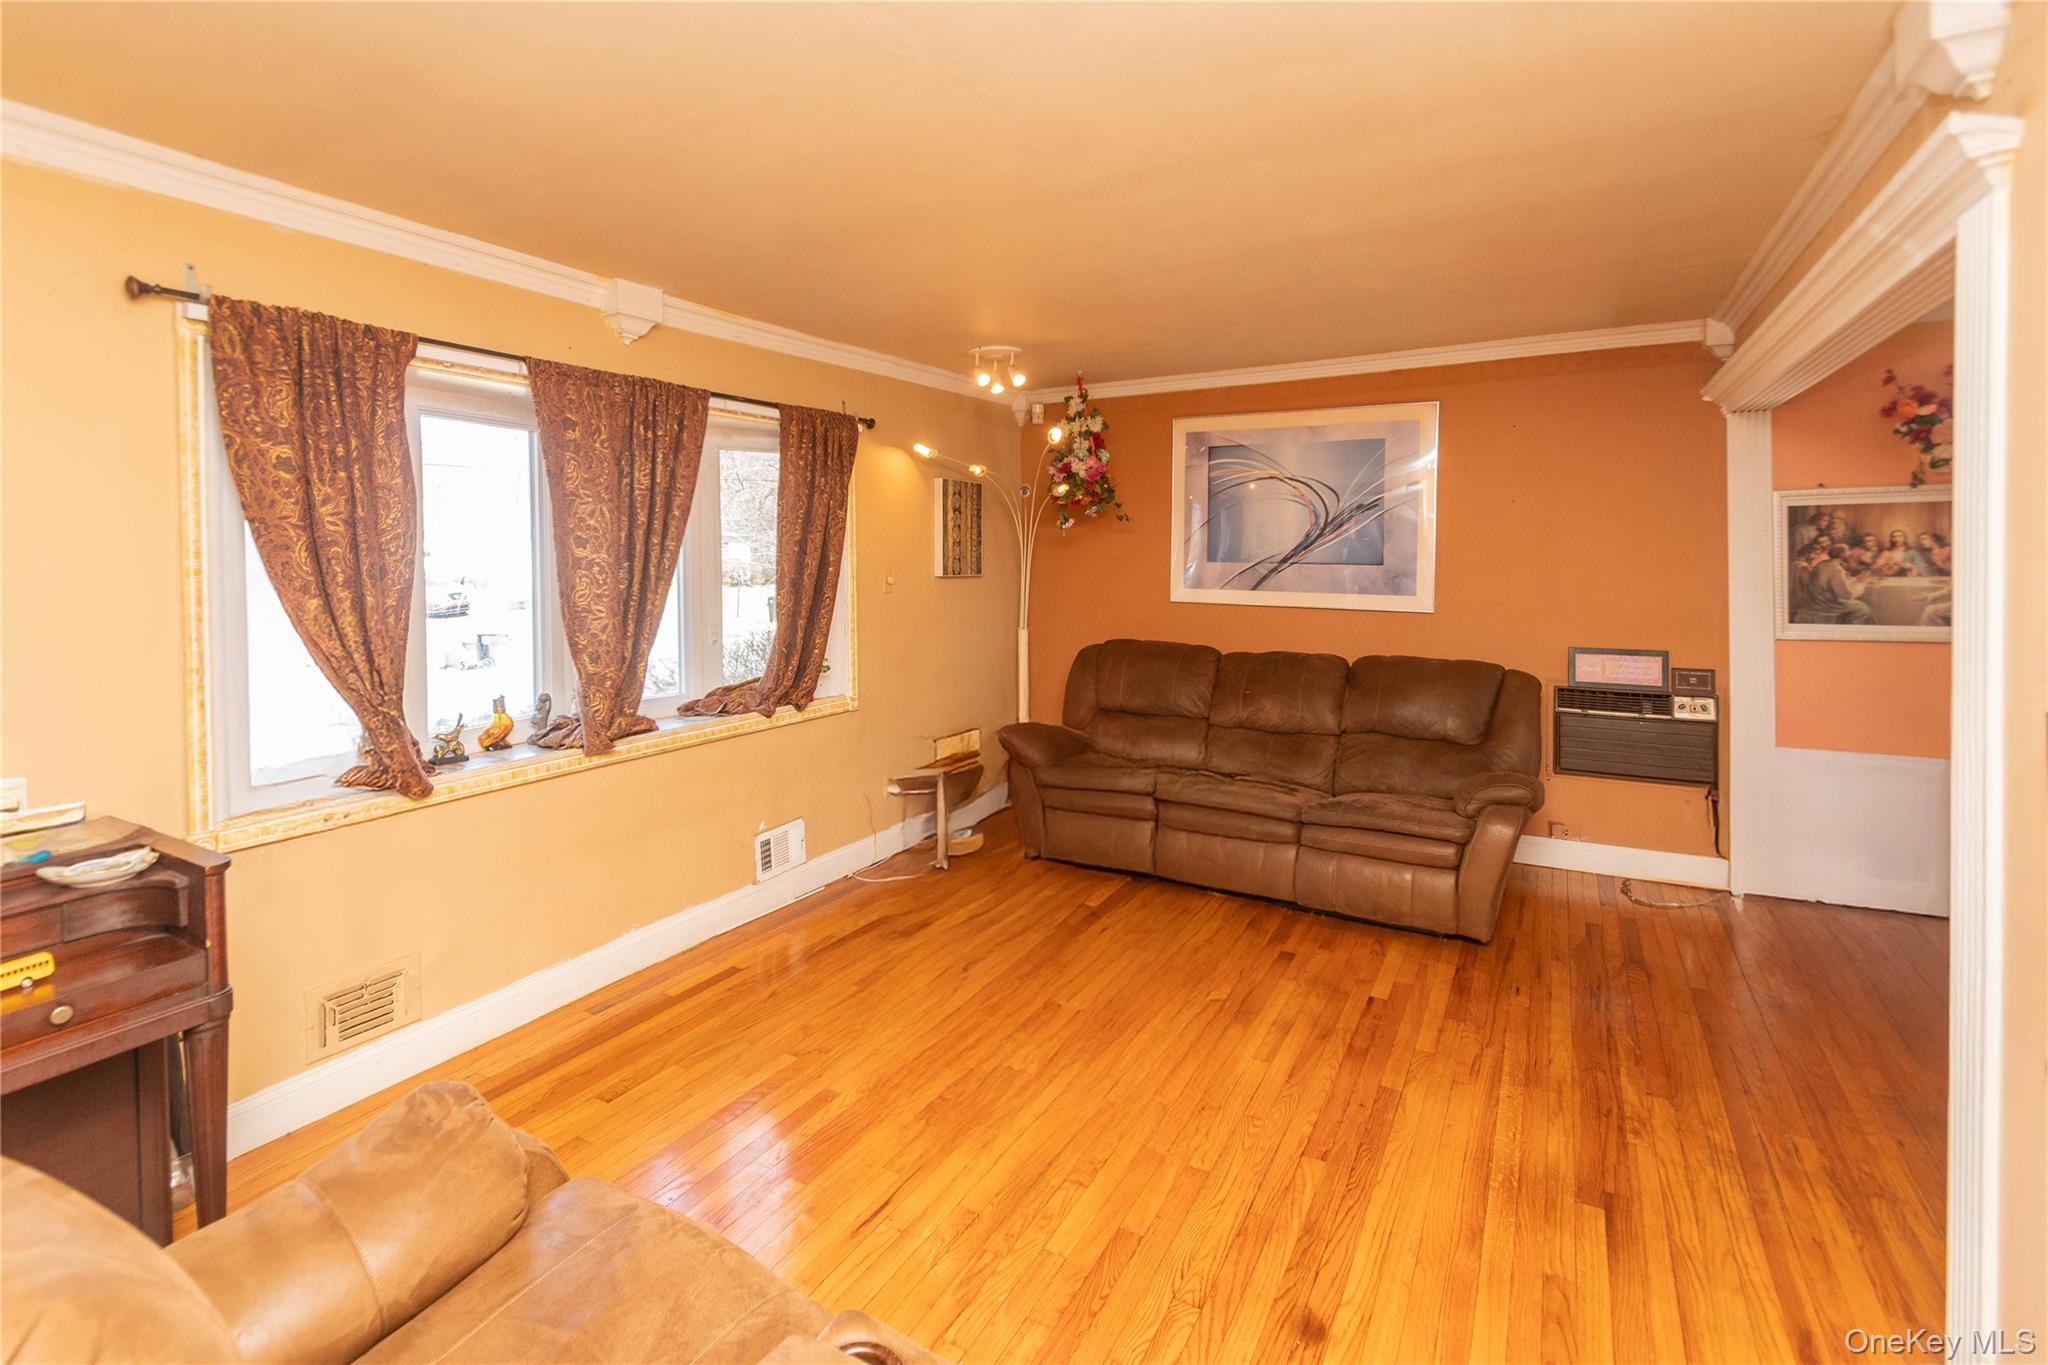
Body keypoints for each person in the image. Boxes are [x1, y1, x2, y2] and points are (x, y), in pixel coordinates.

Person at [1793, 543, 1874, 625]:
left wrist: (1856, 580)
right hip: (1826, 605)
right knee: (1863, 608)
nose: (1851, 553)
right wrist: (1861, 582)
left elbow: (1834, 584)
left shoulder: (1822, 565)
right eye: (1848, 551)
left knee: (1858, 604)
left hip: (1816, 602)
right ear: (1842, 554)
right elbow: (1845, 595)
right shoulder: (1835, 569)